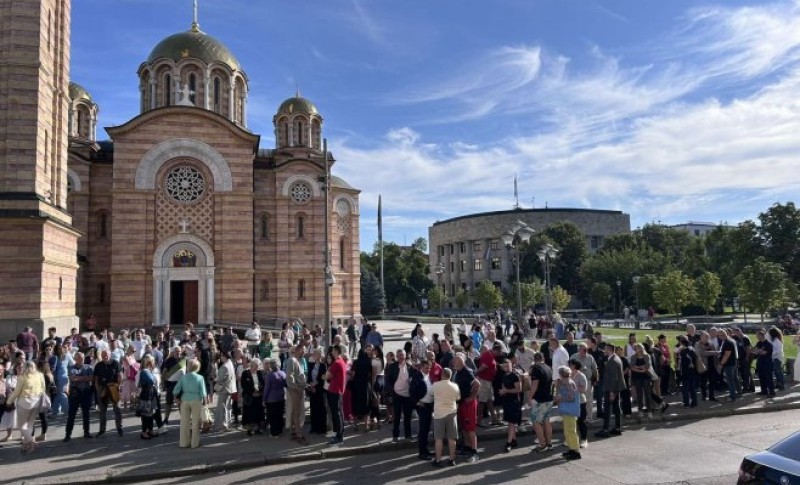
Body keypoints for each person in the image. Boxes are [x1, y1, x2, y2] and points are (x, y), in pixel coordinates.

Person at [7, 361, 45, 453]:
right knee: (30, 425)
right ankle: (25, 445)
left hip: (24, 403)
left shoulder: (22, 377)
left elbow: (16, 392)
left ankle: (32, 442)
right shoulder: (40, 375)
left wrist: (8, 401)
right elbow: (43, 388)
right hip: (36, 401)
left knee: (21, 426)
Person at [453, 354, 480, 463]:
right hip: (462, 402)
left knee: (470, 428)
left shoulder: (467, 371)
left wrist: (472, 397)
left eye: (456, 360)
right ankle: (467, 448)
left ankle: (474, 452)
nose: (454, 362)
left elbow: (477, 384)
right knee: (464, 427)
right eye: (454, 360)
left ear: (462, 362)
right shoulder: (457, 372)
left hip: (469, 403)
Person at [174, 358, 207, 448]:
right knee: (196, 422)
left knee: (184, 422)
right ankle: (194, 443)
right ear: (197, 367)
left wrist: (175, 398)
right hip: (196, 399)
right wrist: (205, 401)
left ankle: (184, 443)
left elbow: (176, 389)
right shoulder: (200, 378)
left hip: (185, 399)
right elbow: (203, 391)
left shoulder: (183, 377)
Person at [385, 349, 415, 442]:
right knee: (397, 416)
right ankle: (395, 436)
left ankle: (408, 435)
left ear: (405, 356)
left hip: (407, 396)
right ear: (396, 357)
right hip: (396, 395)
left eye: (402, 355)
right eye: (399, 355)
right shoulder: (392, 367)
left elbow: (415, 379)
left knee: (407, 416)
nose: (401, 357)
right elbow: (388, 380)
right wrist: (392, 391)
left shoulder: (410, 367)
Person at [595, 344, 626, 438]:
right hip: (615, 388)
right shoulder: (616, 358)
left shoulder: (612, 361)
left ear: (609, 350)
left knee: (607, 409)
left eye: (605, 349)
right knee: (616, 407)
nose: (604, 351)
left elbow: (613, 378)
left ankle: (606, 429)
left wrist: (612, 392)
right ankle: (617, 428)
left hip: (611, 388)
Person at [431, 367, 459, 467]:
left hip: (439, 414)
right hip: (452, 413)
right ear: (450, 376)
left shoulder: (435, 385)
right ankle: (452, 459)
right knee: (452, 438)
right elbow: (458, 397)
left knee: (439, 438)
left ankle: (438, 460)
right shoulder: (455, 386)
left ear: (442, 375)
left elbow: (431, 395)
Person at [63, 352, 93, 442]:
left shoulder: (89, 367)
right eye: (80, 357)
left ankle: (86, 432)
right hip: (75, 393)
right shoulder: (71, 367)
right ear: (75, 359)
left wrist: (78, 378)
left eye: (83, 357)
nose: (82, 359)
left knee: (86, 413)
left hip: (86, 392)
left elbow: (91, 378)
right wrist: (84, 378)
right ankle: (68, 434)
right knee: (71, 414)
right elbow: (72, 378)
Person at [94, 349, 123, 437]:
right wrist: (98, 390)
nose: (105, 356)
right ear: (101, 356)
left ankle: (119, 428)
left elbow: (120, 376)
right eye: (103, 355)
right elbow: (96, 379)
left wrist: (119, 387)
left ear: (110, 355)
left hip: (113, 388)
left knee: (117, 409)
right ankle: (102, 429)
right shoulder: (98, 365)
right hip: (102, 388)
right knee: (102, 411)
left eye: (107, 355)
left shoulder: (115, 363)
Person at [555, 365, 581, 461]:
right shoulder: (564, 382)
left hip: (570, 411)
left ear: (561, 374)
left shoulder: (569, 383)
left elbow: (571, 398)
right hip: (567, 411)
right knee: (567, 431)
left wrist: (561, 398)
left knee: (571, 431)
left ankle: (576, 451)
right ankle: (571, 448)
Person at [528, 352, 554, 452]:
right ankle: (549, 443)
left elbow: (534, 385)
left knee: (536, 422)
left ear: (534, 360)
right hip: (548, 398)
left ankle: (542, 444)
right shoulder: (548, 368)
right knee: (546, 421)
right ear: (543, 358)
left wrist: (530, 397)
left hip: (539, 400)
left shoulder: (536, 369)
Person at [284, 345, 307, 444]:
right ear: (298, 350)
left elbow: (297, 376)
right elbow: (289, 377)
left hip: (298, 389)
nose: (304, 352)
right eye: (303, 350)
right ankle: (299, 435)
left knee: (295, 412)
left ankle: (294, 432)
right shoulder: (292, 360)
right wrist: (297, 388)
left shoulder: (296, 360)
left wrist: (305, 385)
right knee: (296, 412)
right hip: (295, 390)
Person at [137, 354, 164, 439]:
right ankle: (144, 432)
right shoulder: (145, 371)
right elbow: (150, 381)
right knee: (146, 415)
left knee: (151, 414)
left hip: (151, 395)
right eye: (153, 362)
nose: (154, 364)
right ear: (150, 363)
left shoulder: (149, 371)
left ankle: (150, 430)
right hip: (146, 395)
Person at [498, 358, 522, 453]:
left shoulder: (515, 376)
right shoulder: (504, 376)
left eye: (508, 366)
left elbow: (518, 389)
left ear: (511, 365)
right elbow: (503, 387)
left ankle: (508, 443)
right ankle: (514, 440)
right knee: (510, 422)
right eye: (505, 366)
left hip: (514, 402)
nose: (506, 368)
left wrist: (506, 391)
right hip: (507, 401)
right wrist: (502, 392)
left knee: (511, 423)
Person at [325, 344, 347, 445]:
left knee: (336, 414)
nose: (332, 352)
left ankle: (339, 436)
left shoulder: (337, 362)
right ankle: (339, 434)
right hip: (337, 391)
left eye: (333, 350)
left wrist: (325, 375)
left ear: (337, 351)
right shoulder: (341, 361)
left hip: (335, 391)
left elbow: (327, 376)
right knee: (338, 413)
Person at [476, 343, 501, 427]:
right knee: (482, 401)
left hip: (488, 381)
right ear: (495, 350)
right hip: (484, 381)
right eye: (499, 352)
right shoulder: (488, 356)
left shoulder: (491, 355)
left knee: (490, 400)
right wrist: (475, 374)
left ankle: (494, 419)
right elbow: (482, 367)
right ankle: (479, 421)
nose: (500, 354)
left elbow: (491, 364)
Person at [240, 358, 265, 435]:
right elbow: (244, 385)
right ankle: (250, 429)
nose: (257, 367)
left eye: (258, 365)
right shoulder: (245, 373)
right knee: (249, 413)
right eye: (255, 365)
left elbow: (263, 383)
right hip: (249, 397)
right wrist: (252, 392)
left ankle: (258, 428)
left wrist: (259, 391)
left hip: (258, 396)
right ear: (251, 365)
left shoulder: (259, 372)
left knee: (258, 412)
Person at [415, 360, 435, 460]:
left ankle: (425, 450)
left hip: (429, 405)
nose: (428, 369)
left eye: (429, 368)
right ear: (421, 367)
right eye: (426, 368)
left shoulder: (428, 376)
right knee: (423, 430)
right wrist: (417, 402)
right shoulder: (417, 377)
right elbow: (412, 391)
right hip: (423, 406)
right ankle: (422, 452)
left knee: (426, 429)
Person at [214, 351, 237, 432]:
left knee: (223, 408)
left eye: (221, 356)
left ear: (225, 356)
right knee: (228, 407)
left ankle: (223, 425)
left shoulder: (225, 366)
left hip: (224, 389)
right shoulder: (230, 364)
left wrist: (215, 379)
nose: (220, 358)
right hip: (231, 389)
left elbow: (220, 379)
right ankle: (228, 424)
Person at [263, 358, 286, 437]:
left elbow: (267, 388)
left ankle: (274, 433)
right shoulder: (282, 373)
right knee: (280, 415)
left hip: (271, 399)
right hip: (281, 398)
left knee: (272, 417)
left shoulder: (269, 375)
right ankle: (279, 430)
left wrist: (264, 399)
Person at [630, 343, 654, 419]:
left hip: (646, 377)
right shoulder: (633, 357)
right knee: (639, 394)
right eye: (635, 348)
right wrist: (641, 369)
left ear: (641, 349)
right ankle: (640, 410)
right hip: (637, 377)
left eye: (637, 348)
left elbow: (647, 366)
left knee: (647, 394)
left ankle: (649, 411)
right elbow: (632, 367)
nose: (635, 349)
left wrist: (638, 367)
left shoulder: (646, 356)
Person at [569, 359, 589, 448]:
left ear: (574, 365)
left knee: (581, 421)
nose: (568, 366)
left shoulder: (581, 376)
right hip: (570, 401)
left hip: (580, 401)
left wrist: (573, 388)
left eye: (570, 365)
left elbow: (584, 389)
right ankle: (572, 440)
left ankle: (584, 439)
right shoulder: (568, 375)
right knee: (572, 421)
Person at [306, 349, 327, 435]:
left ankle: (321, 428)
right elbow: (309, 377)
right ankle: (313, 427)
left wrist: (315, 385)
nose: (314, 355)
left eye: (316, 354)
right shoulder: (311, 365)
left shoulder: (323, 365)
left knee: (320, 409)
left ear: (320, 355)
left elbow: (323, 378)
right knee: (313, 408)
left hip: (319, 390)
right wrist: (311, 386)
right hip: (312, 390)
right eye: (314, 354)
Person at [677, 336, 698, 408]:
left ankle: (686, 403)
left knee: (685, 389)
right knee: (692, 388)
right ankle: (694, 402)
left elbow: (681, 363)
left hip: (685, 373)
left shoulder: (682, 352)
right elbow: (696, 358)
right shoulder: (692, 350)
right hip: (692, 372)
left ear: (682, 344)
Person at [754, 330, 775, 397]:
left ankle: (772, 392)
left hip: (767, 363)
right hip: (760, 362)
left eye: (757, 335)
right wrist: (759, 351)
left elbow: (764, 353)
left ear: (761, 335)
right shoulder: (759, 343)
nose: (756, 336)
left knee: (769, 378)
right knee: (761, 377)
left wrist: (759, 351)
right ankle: (764, 391)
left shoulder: (768, 344)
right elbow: (755, 351)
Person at [768, 327, 785, 392]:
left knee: (778, 372)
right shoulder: (774, 340)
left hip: (777, 358)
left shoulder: (777, 341)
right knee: (776, 372)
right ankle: (778, 384)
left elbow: (778, 351)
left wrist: (771, 353)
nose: (769, 334)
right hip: (774, 357)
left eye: (769, 333)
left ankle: (782, 385)